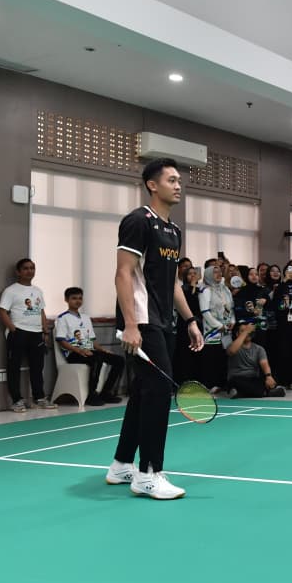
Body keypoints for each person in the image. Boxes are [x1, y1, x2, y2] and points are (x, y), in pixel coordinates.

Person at [108, 158, 204, 500]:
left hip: (163, 322)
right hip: (141, 323)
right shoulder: (138, 221)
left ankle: (121, 464)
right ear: (152, 185)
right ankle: (148, 474)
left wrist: (190, 320)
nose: (179, 185)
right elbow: (123, 273)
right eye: (172, 180)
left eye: (180, 181)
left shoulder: (174, 231)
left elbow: (172, 283)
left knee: (144, 393)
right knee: (159, 393)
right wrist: (130, 324)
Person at [0, 258, 57, 412]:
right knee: (14, 367)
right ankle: (17, 400)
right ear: (18, 272)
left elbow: (41, 311)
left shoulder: (38, 291)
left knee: (37, 368)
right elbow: (2, 311)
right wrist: (13, 329)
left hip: (37, 334)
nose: (29, 271)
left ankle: (39, 398)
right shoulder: (11, 290)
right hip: (18, 333)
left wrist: (45, 331)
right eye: (25, 268)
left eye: (32, 268)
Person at [54, 287, 124, 406]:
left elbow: (91, 341)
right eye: (74, 298)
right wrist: (79, 350)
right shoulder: (62, 318)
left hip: (89, 351)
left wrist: (103, 350)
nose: (78, 301)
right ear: (66, 300)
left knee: (119, 360)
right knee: (97, 359)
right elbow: (61, 341)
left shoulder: (86, 318)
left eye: (80, 298)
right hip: (73, 354)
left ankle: (106, 392)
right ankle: (92, 394)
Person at [198, 264, 235, 393]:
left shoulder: (225, 289)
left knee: (223, 357)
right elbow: (205, 312)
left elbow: (231, 308)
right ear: (208, 275)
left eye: (220, 272)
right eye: (215, 273)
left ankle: (223, 383)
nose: (219, 275)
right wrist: (219, 326)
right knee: (211, 357)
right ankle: (210, 384)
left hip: (226, 330)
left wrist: (232, 321)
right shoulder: (205, 290)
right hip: (212, 330)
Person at [225, 321, 283, 398]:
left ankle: (240, 393)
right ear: (237, 334)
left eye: (249, 331)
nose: (247, 333)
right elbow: (232, 351)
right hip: (237, 378)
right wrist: (245, 331)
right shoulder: (232, 345)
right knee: (236, 382)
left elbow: (264, 364)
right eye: (243, 331)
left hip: (253, 379)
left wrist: (268, 376)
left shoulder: (259, 349)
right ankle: (267, 392)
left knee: (272, 376)